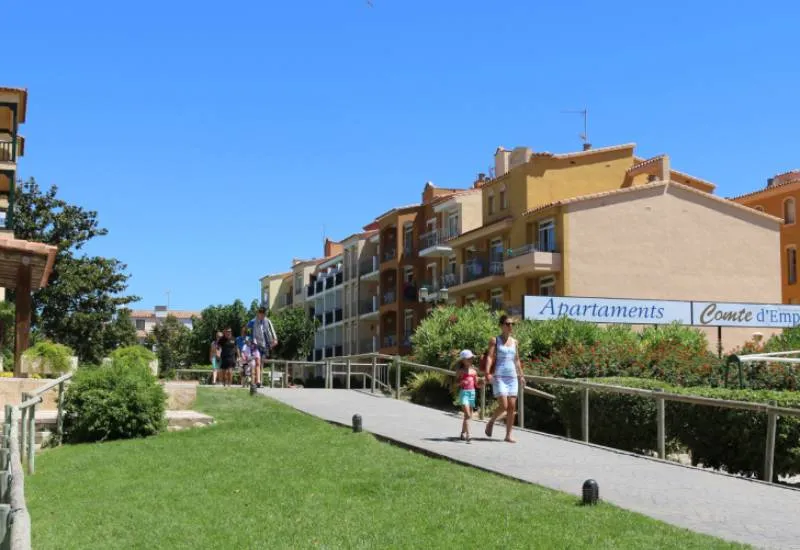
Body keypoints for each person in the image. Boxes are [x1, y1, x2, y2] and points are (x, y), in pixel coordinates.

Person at [484, 315, 525, 443]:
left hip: (512, 377)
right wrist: (487, 373)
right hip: (499, 376)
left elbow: (516, 360)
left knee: (512, 407)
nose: (510, 326)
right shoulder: (495, 340)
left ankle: (508, 435)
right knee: (504, 405)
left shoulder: (515, 342)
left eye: (512, 324)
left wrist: (521, 375)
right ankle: (491, 422)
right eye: (507, 323)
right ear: (501, 325)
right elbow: (490, 357)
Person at [248, 307, 278, 388]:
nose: (262, 315)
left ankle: (259, 381)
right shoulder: (253, 321)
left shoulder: (267, 321)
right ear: (258, 313)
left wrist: (275, 339)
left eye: (263, 314)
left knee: (261, 364)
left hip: (265, 345)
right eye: (260, 313)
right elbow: (246, 329)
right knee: (257, 362)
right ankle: (257, 381)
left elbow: (272, 330)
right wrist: (248, 339)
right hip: (255, 344)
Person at [455, 349, 480, 443]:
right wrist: (461, 382)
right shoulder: (460, 371)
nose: (470, 360)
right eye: (468, 358)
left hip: (472, 393)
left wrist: (482, 383)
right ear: (463, 360)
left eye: (471, 358)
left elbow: (477, 384)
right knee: (468, 415)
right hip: (464, 393)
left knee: (467, 417)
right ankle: (468, 436)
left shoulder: (474, 371)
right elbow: (456, 383)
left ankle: (462, 433)